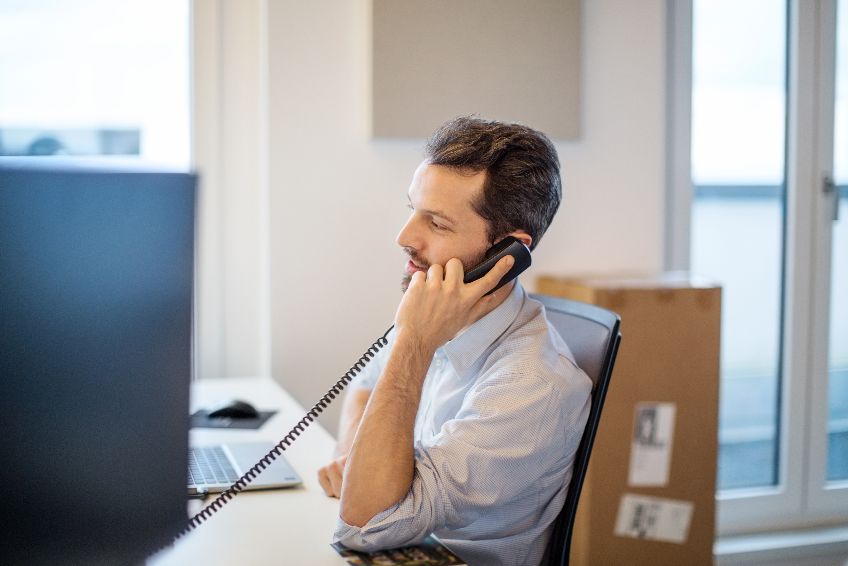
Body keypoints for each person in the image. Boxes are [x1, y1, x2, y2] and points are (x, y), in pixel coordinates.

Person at [318, 117, 591, 566]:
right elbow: (366, 385)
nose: (405, 238)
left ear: (507, 253)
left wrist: (413, 343)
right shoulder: (446, 317)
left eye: (437, 224)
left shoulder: (535, 386)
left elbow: (366, 521)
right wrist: (352, 455)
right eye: (413, 209)